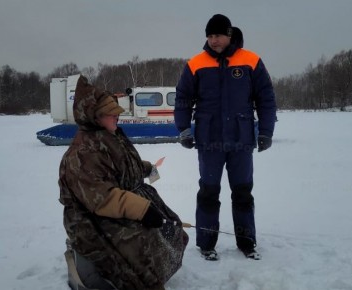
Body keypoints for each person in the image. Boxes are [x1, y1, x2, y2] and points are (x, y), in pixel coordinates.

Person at [59, 75, 188, 289]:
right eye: (110, 115)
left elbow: (124, 165)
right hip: (93, 217)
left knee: (170, 226)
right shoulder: (83, 152)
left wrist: (146, 168)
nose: (116, 119)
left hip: (123, 203)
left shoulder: (109, 135)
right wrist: (144, 210)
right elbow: (102, 198)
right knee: (138, 243)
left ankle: (157, 271)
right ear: (95, 117)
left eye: (115, 114)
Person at [174, 14, 277, 261]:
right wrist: (184, 129)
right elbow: (182, 99)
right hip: (210, 141)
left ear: (229, 35)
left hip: (241, 141)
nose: (213, 40)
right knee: (209, 191)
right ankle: (207, 244)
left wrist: (265, 131)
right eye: (209, 36)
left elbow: (266, 99)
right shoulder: (195, 64)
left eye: (217, 35)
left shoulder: (251, 61)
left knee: (242, 192)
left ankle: (247, 243)